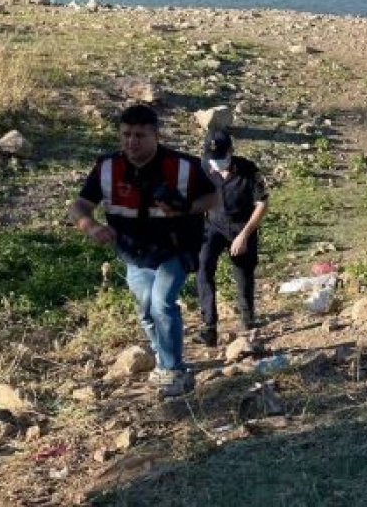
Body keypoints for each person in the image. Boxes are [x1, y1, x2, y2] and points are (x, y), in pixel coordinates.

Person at [69, 104, 219, 398]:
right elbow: (80, 205)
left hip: (176, 248)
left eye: (139, 135)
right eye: (126, 134)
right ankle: (164, 359)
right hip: (134, 252)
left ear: (156, 136)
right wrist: (91, 226)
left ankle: (174, 369)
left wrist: (185, 208)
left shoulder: (183, 166)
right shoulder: (107, 167)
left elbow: (214, 199)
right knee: (147, 311)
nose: (131, 142)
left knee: (162, 304)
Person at [196, 129, 269, 346]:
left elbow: (262, 203)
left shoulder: (248, 169)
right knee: (203, 267)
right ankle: (209, 327)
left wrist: (244, 235)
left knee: (243, 274)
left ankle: (248, 321)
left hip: (242, 226)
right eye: (212, 158)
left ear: (230, 151)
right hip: (214, 225)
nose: (216, 163)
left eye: (220, 157)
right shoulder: (203, 168)